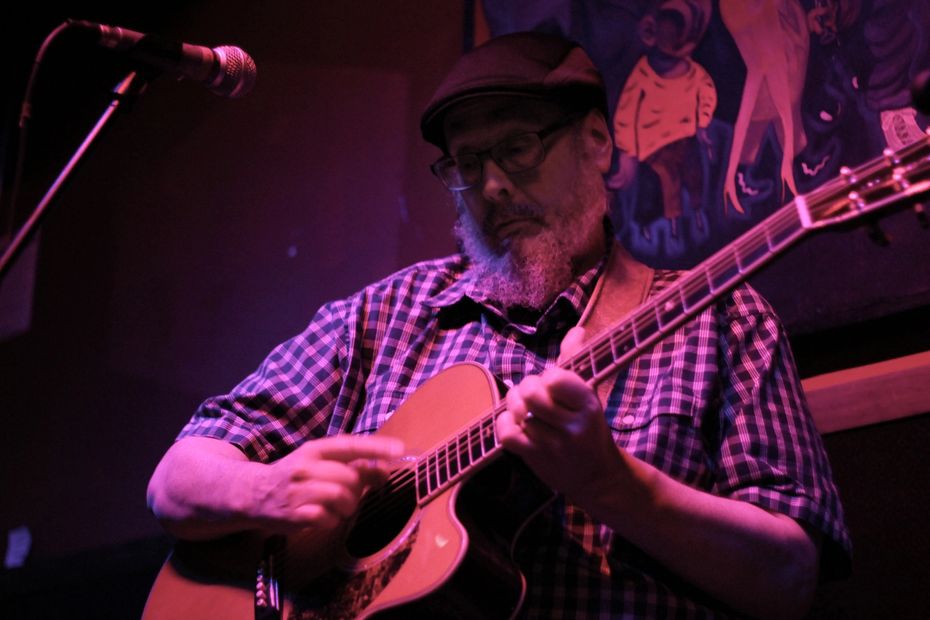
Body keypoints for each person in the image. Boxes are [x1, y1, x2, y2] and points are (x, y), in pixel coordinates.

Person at [147, 31, 850, 618]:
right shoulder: (385, 314)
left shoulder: (721, 319)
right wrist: (270, 492)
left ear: (599, 143)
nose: (491, 186)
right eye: (467, 163)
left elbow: (790, 580)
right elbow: (179, 476)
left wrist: (614, 486)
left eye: (518, 149)